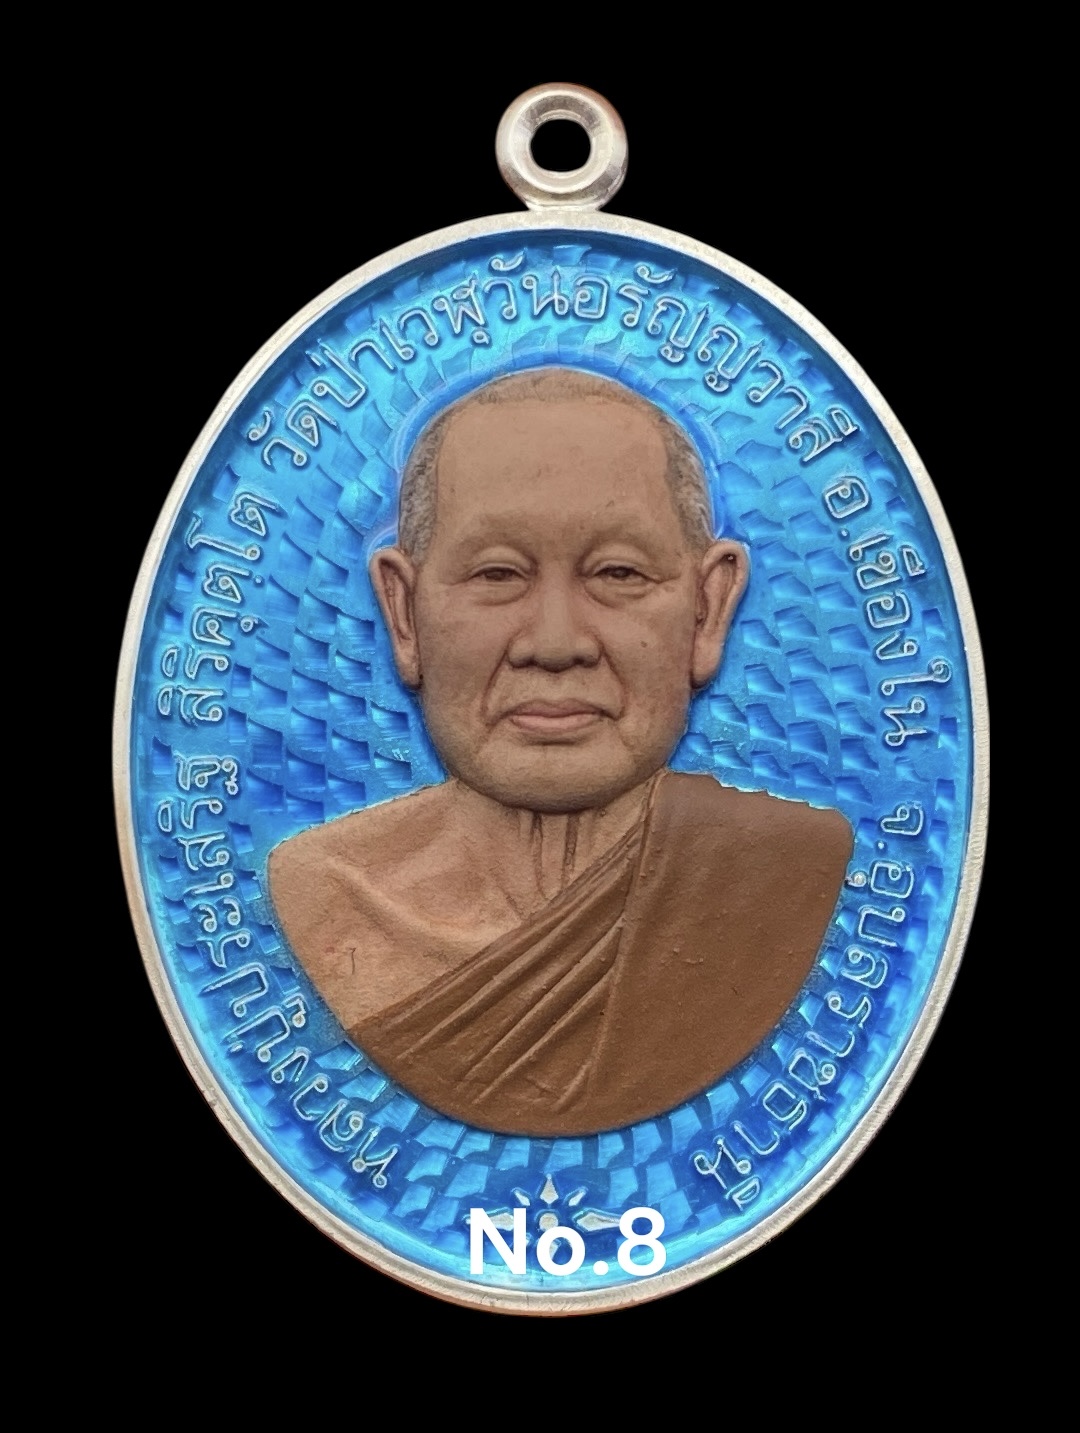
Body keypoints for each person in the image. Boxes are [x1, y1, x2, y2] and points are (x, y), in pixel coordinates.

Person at [267, 368, 852, 1137]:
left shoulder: (783, 877)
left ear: (707, 609)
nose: (555, 643)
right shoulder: (325, 891)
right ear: (403, 612)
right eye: (497, 574)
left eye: (618, 573)